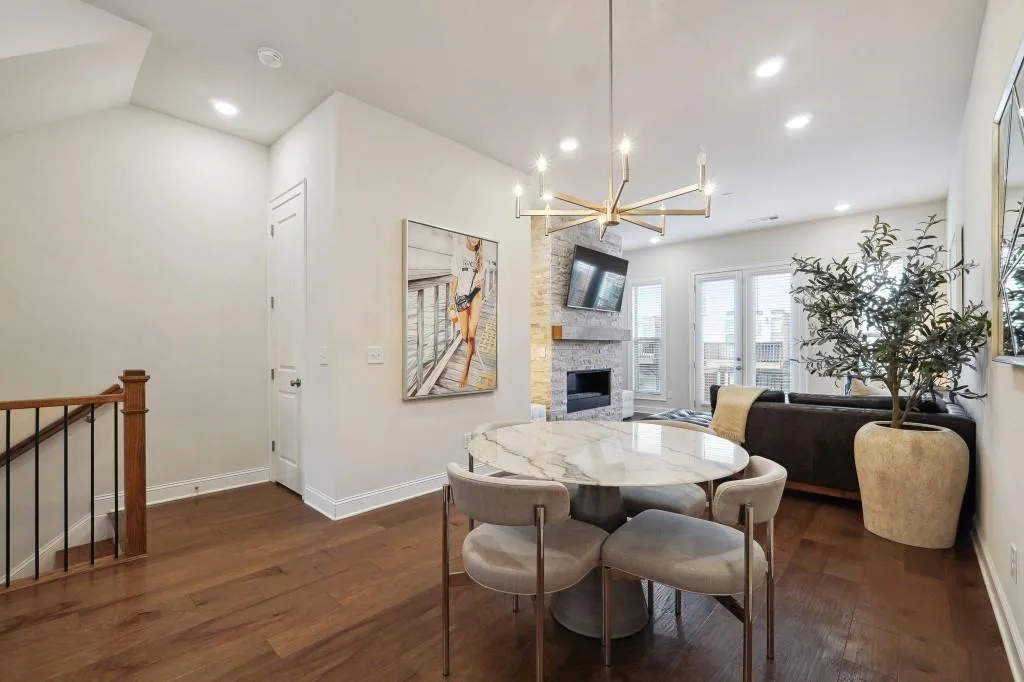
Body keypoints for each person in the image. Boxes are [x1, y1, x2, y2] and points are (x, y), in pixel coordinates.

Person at [449, 235, 485, 387]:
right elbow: (455, 279)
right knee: (464, 335)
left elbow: (479, 284)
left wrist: (471, 297)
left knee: (471, 333)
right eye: (472, 235)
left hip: (475, 297)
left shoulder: (481, 256)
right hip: (461, 297)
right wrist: (452, 304)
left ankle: (465, 372)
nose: (475, 238)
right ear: (467, 236)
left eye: (478, 236)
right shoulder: (459, 252)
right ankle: (473, 345)